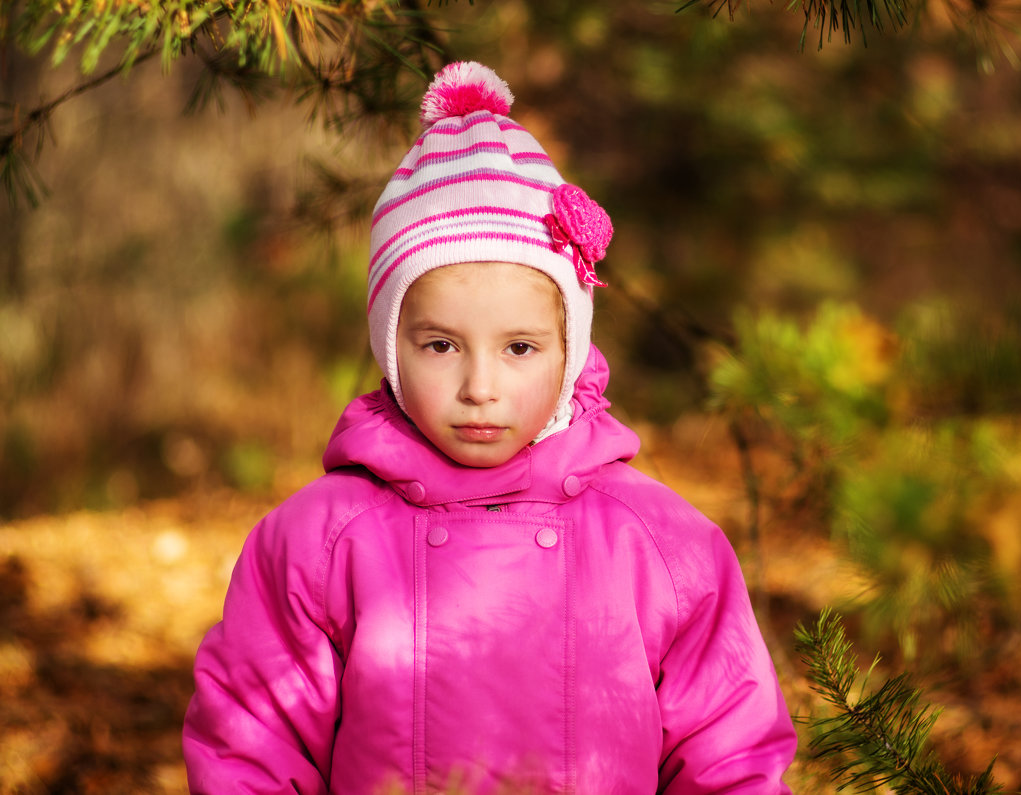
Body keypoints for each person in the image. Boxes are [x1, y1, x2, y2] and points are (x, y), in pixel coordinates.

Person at [182, 61, 797, 794]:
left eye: (519, 348)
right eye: (441, 345)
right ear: (390, 344)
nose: (480, 388)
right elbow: (252, 751)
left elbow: (733, 758)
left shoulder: (662, 547)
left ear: (569, 349)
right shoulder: (317, 544)